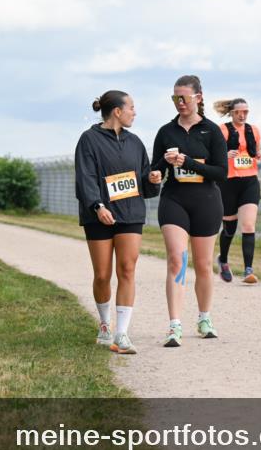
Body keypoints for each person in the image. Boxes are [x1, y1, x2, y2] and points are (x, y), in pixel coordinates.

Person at [75, 90, 162, 355]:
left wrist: (153, 180)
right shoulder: (89, 139)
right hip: (98, 215)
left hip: (131, 214)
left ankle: (121, 334)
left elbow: (144, 182)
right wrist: (97, 206)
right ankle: (105, 325)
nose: (135, 112)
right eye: (132, 107)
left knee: (127, 269)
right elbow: (85, 177)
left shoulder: (135, 142)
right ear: (117, 111)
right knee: (102, 274)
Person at [151, 75, 227, 347]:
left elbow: (221, 172)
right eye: (175, 98)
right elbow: (154, 169)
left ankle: (204, 318)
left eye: (184, 97)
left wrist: (189, 162)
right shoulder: (165, 132)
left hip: (206, 200)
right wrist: (157, 172)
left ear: (199, 97)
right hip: (175, 200)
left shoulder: (212, 130)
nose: (179, 103)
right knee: (177, 261)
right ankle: (174, 325)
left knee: (204, 265)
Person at [213, 98, 261, 284]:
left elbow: (255, 152)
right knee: (229, 227)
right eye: (239, 112)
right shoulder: (222, 130)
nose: (242, 115)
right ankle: (223, 260)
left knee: (248, 225)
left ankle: (248, 270)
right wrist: (224, 155)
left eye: (246, 111)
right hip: (228, 183)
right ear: (232, 112)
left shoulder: (254, 130)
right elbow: (212, 155)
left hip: (250, 182)